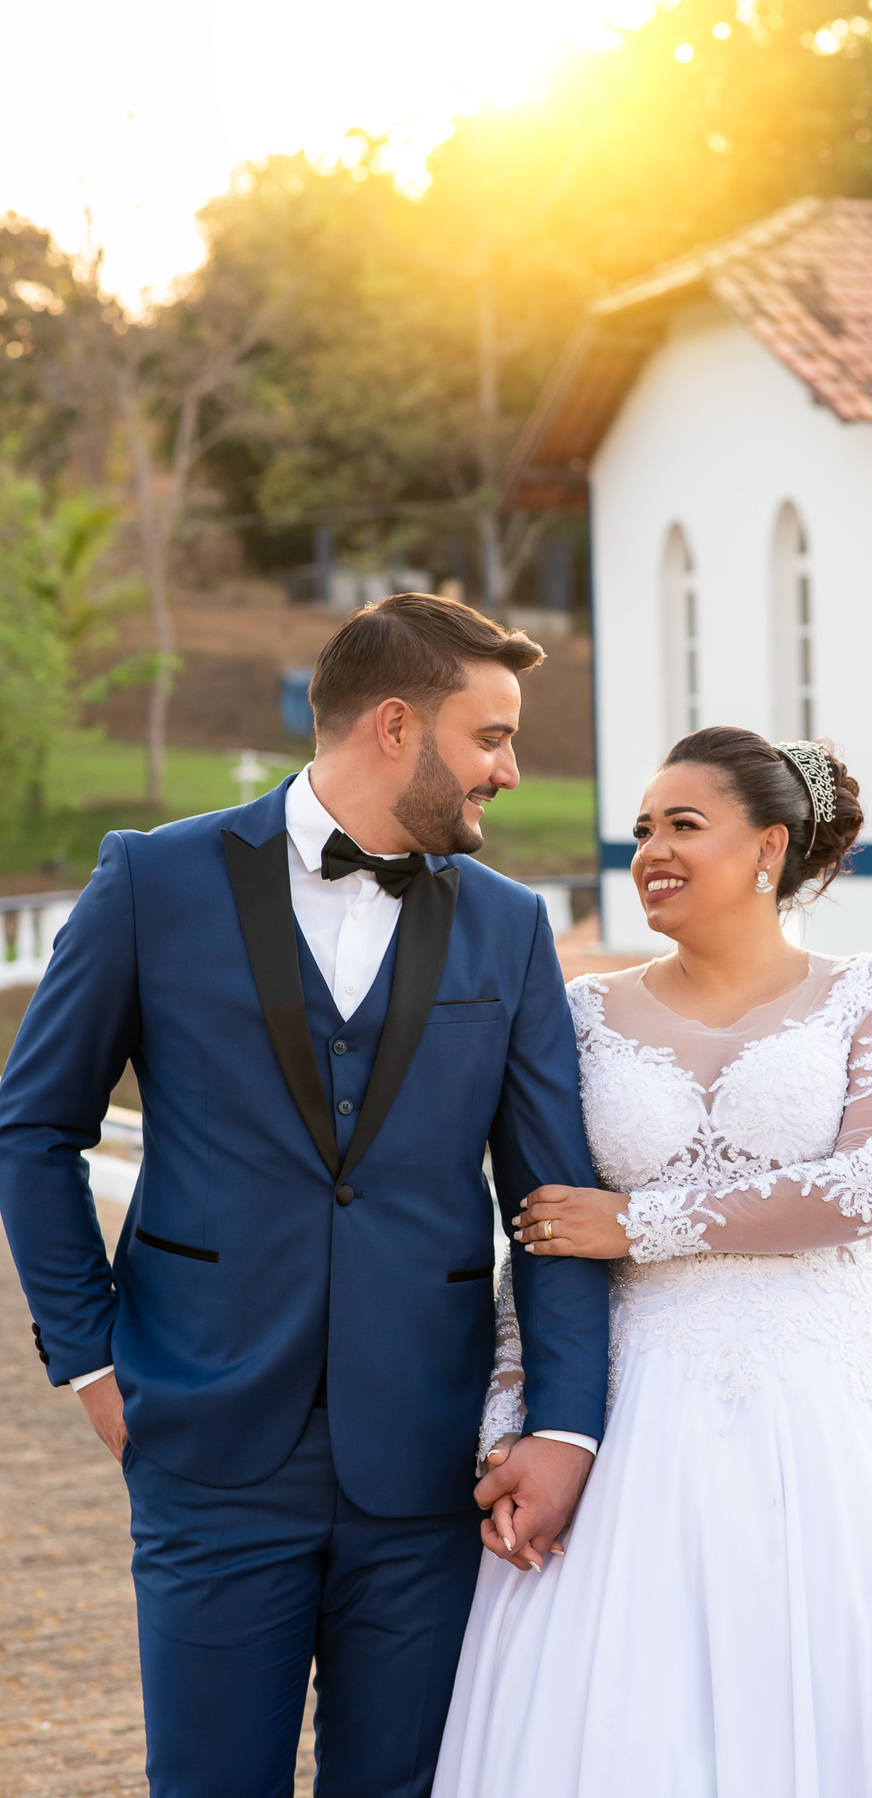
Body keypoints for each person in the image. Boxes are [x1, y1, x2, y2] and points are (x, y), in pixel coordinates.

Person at [438, 726, 872, 1798]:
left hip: (841, 1390)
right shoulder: (579, 1015)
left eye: (684, 824)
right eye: (640, 831)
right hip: (639, 1398)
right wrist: (512, 1413)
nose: (651, 850)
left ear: (769, 848)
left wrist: (638, 1222)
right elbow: (541, 1229)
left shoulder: (868, 993)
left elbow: (865, 1185)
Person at [0, 594, 610, 1798]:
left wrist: (561, 1422)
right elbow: (33, 1127)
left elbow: (551, 1196)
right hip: (207, 1434)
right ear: (396, 725)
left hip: (432, 1454)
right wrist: (90, 1359)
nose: (511, 767)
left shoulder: (507, 927)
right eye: (488, 736)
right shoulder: (152, 879)